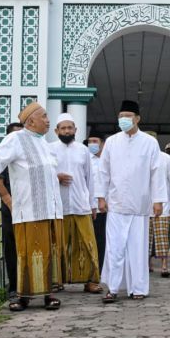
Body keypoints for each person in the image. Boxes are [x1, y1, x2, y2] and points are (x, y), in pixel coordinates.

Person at [0, 102, 63, 311]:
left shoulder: (45, 144)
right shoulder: (16, 138)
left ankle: (48, 294)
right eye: (45, 116)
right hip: (28, 209)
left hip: (49, 209)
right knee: (26, 253)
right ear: (31, 120)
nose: (48, 120)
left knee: (47, 253)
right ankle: (22, 296)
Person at [96, 100, 167, 303]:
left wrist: (159, 200)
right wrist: (100, 197)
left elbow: (156, 172)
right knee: (115, 248)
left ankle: (138, 288)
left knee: (137, 248)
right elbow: (103, 171)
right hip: (116, 204)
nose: (124, 120)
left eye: (128, 116)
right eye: (121, 116)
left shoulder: (149, 142)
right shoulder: (111, 142)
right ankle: (113, 288)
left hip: (140, 205)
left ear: (137, 119)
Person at [49, 113, 102, 294]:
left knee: (87, 244)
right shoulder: (49, 150)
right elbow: (43, 175)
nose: (66, 131)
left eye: (69, 127)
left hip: (81, 205)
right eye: (63, 128)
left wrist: (93, 203)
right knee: (58, 245)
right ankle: (57, 281)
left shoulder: (83, 150)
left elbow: (90, 179)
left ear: (75, 130)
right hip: (58, 207)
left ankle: (91, 281)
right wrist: (56, 177)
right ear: (56, 131)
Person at [0, 122, 24, 311]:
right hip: (11, 209)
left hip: (31, 209)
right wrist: (11, 203)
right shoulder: (4, 156)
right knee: (13, 248)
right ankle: (14, 289)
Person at [148, 139, 170, 278]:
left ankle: (164, 266)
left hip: (163, 203)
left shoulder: (166, 158)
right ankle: (147, 264)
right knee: (145, 238)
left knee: (162, 237)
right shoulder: (140, 157)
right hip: (143, 205)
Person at [87, 132, 107, 272]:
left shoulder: (109, 160)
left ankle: (102, 269)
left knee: (103, 240)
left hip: (106, 208)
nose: (92, 144)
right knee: (90, 240)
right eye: (90, 141)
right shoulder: (86, 160)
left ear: (102, 144)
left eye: (95, 141)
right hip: (89, 207)